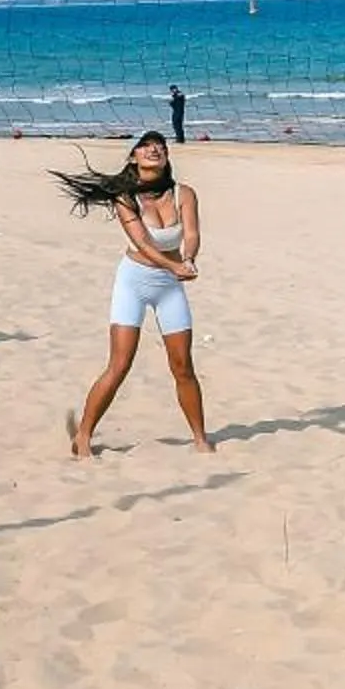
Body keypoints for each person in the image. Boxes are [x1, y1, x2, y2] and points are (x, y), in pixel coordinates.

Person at [57, 131, 211, 457]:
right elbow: (143, 243)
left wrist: (189, 259)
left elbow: (193, 233)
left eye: (160, 146)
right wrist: (174, 267)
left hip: (169, 286)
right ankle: (83, 436)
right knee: (120, 364)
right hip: (134, 282)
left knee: (183, 366)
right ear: (133, 157)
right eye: (145, 146)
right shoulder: (125, 196)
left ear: (167, 157)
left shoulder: (184, 193)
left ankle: (200, 439)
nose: (154, 149)